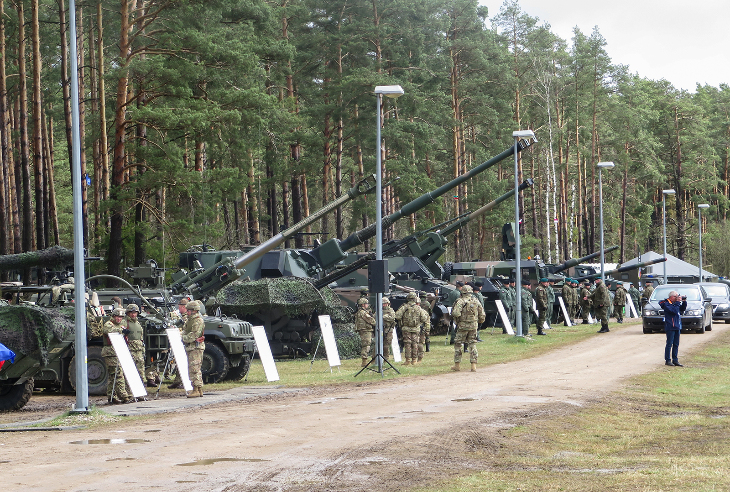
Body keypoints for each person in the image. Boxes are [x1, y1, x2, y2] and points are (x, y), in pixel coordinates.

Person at [450, 285, 485, 372]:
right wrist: (478, 322)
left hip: (462, 326)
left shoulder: (460, 301)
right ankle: (473, 365)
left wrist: (458, 320)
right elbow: (482, 315)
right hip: (473, 325)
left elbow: (456, 313)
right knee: (472, 344)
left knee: (458, 344)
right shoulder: (476, 301)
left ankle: (457, 365)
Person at [102, 308, 132, 404]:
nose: (119, 319)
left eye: (121, 317)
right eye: (117, 317)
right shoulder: (108, 325)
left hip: (118, 352)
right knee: (118, 375)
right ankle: (124, 396)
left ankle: (112, 396)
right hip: (110, 353)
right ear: (113, 316)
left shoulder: (121, 326)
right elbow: (109, 330)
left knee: (113, 376)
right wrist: (122, 331)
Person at [395, 292, 429, 366]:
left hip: (406, 329)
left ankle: (408, 360)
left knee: (407, 344)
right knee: (415, 344)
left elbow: (397, 316)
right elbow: (424, 318)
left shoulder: (404, 307)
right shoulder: (418, 308)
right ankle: (414, 360)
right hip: (416, 329)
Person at [182, 300, 205, 397]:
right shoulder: (190, 320)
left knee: (194, 368)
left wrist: (182, 338)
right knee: (194, 368)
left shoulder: (197, 321)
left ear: (194, 310)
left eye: (188, 310)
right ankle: (198, 389)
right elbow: (184, 330)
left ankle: (195, 389)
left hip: (195, 347)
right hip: (192, 347)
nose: (187, 312)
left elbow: (193, 335)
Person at [659, 290, 687, 366]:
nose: (677, 298)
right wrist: (678, 303)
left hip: (677, 326)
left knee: (676, 344)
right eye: (676, 296)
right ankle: (667, 360)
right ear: (671, 297)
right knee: (669, 344)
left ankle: (675, 360)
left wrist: (684, 301)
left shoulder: (675, 304)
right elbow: (673, 311)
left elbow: (682, 309)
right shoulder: (666, 304)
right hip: (670, 326)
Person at [168, 298, 190, 389]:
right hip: (182, 341)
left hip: (185, 341)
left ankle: (181, 381)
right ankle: (177, 381)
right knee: (180, 361)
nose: (178, 308)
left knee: (184, 361)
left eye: (180, 306)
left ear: (183, 307)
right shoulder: (183, 316)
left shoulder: (186, 318)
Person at [124, 304, 147, 385]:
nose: (133, 314)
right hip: (130, 351)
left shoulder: (138, 323)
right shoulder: (124, 322)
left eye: (135, 312)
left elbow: (141, 337)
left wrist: (143, 350)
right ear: (128, 313)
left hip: (139, 351)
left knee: (141, 372)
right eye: (131, 313)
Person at [354, 297, 376, 367]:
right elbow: (371, 320)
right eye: (366, 304)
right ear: (363, 304)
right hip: (365, 331)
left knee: (367, 345)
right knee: (366, 345)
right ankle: (364, 361)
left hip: (365, 330)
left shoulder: (360, 312)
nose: (367, 305)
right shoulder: (363, 313)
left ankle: (368, 360)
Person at [418, 292, 434, 360]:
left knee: (420, 333)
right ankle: (427, 348)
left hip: (419, 320)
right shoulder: (427, 303)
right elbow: (430, 312)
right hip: (426, 319)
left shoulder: (418, 303)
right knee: (427, 334)